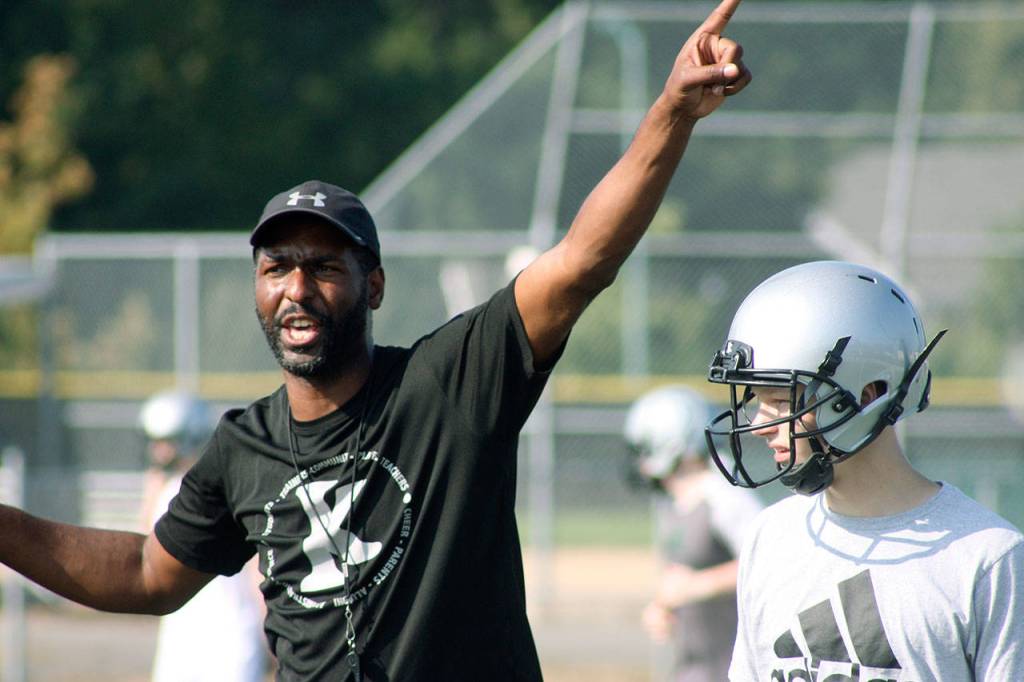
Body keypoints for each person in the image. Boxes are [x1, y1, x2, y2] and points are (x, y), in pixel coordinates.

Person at [0, 1, 752, 679]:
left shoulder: (451, 382)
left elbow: (582, 261)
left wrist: (671, 113)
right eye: (277, 268)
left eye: (325, 267)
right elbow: (144, 572)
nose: (296, 289)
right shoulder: (243, 447)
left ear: (375, 287)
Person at [703, 260, 1024, 681]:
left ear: (868, 394)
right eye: (757, 400)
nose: (761, 426)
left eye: (782, 402)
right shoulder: (769, 538)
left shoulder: (988, 558)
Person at [624, 385, 762, 682]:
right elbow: (679, 577)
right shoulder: (672, 501)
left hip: (731, 666)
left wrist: (698, 586)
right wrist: (663, 605)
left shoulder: (723, 496)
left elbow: (765, 564)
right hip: (692, 664)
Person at [138, 390, 268, 682]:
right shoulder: (163, 487)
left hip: (229, 632)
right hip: (180, 635)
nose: (157, 452)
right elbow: (145, 546)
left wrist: (265, 620)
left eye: (165, 442)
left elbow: (254, 565)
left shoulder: (220, 488)